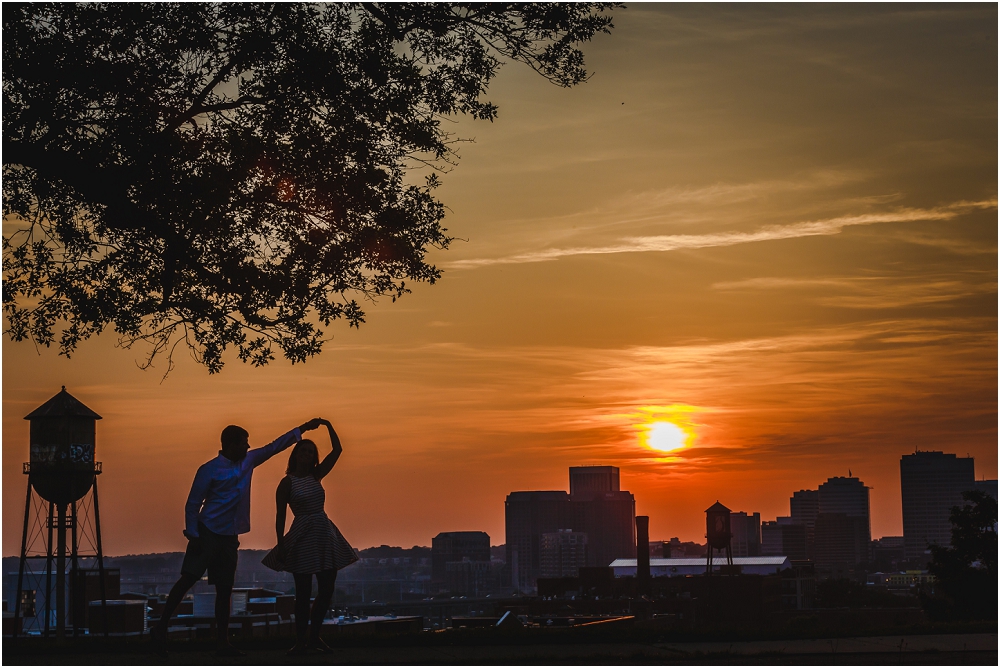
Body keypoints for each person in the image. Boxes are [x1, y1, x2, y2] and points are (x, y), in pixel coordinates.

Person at [151, 418, 325, 657]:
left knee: (225, 589)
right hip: (207, 532)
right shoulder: (209, 469)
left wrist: (302, 429)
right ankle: (160, 629)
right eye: (244, 443)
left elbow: (274, 447)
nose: (248, 446)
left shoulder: (248, 461)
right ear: (230, 445)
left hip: (229, 536)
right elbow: (192, 504)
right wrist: (193, 534)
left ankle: (222, 643)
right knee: (188, 579)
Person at [262, 419, 358, 655]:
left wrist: (327, 425)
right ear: (294, 455)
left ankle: (315, 637)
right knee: (303, 593)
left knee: (326, 588)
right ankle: (300, 642)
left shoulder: (317, 475)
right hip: (301, 535)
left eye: (310, 452)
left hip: (324, 533)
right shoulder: (286, 483)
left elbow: (338, 450)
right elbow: (280, 516)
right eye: (303, 451)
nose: (306, 454)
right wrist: (281, 543)